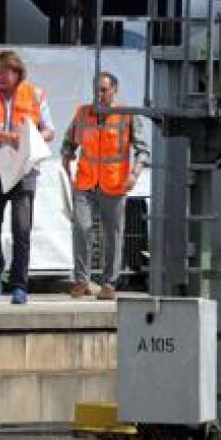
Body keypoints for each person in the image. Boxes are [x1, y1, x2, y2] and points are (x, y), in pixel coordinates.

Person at [0, 49, 54, 305]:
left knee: (22, 229)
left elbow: (50, 131)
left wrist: (28, 138)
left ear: (16, 72)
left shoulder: (35, 94)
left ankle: (19, 286)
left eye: (3, 73)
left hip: (24, 170)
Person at [61, 71, 149, 301]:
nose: (99, 94)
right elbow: (69, 140)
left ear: (114, 90)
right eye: (96, 90)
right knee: (81, 228)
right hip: (85, 182)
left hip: (114, 183)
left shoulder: (127, 115)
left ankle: (109, 283)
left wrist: (134, 174)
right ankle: (82, 281)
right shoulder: (82, 113)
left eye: (103, 90)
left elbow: (143, 150)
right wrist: (66, 154)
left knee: (113, 235)